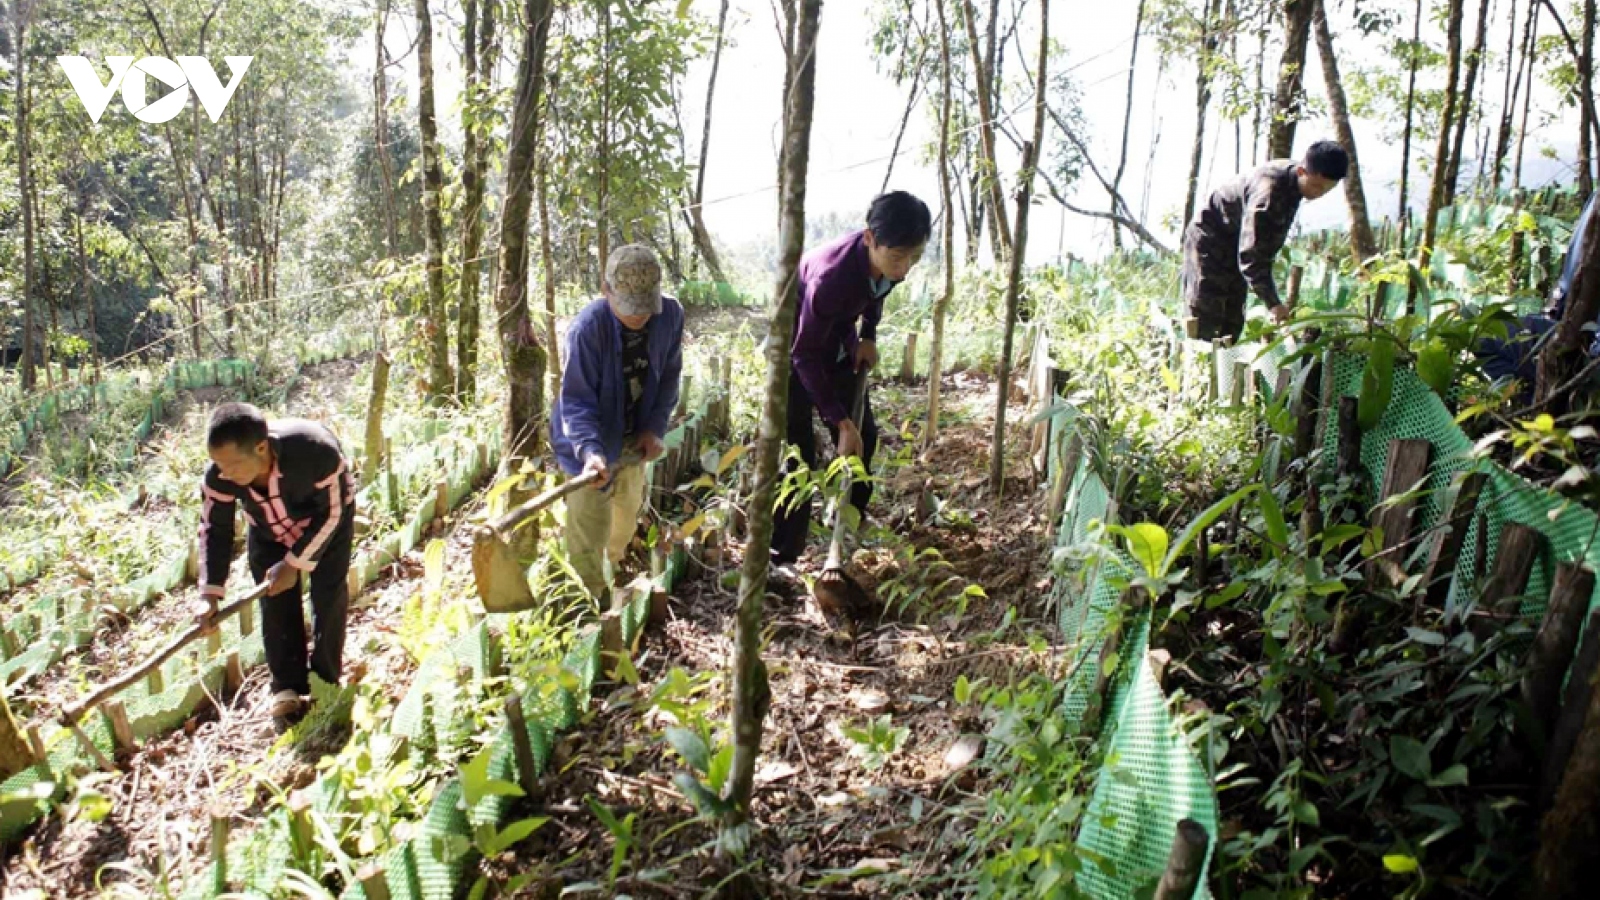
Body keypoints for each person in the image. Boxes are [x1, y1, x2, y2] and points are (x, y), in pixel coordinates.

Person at [771, 190, 932, 566]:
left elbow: (878, 290)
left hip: (838, 339)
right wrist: (838, 420)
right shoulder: (830, 279)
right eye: (897, 257)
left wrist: (868, 335)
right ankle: (783, 556)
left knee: (866, 437)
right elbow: (803, 354)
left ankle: (847, 523)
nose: (904, 268)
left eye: (913, 258)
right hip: (793, 350)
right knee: (798, 455)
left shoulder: (891, 263)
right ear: (869, 239)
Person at [198, 403, 355, 722]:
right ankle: (287, 687)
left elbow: (333, 513)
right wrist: (209, 595)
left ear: (261, 447)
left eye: (232, 465)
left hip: (324, 524)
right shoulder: (220, 476)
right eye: (218, 464)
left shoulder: (315, 452)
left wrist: (295, 563)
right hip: (267, 530)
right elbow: (215, 528)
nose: (225, 473)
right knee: (274, 600)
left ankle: (325, 682)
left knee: (328, 596)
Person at [550, 244, 684, 600]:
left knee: (624, 519)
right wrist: (589, 452)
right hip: (587, 443)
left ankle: (613, 570)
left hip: (632, 436)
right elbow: (575, 402)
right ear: (606, 290)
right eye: (629, 307)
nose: (638, 316)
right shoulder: (587, 330)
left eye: (644, 307)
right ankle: (585, 605)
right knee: (588, 528)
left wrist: (655, 427)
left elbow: (670, 376)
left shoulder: (670, 316)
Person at [1182, 140, 1349, 341]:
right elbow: (1252, 257)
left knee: (1232, 319)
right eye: (1315, 186)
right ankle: (1200, 366)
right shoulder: (1269, 195)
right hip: (1209, 238)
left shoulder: (1295, 184)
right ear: (1301, 171)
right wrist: (1274, 304)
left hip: (1236, 238)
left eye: (1326, 189)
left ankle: (1226, 363)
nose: (1318, 193)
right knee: (1207, 315)